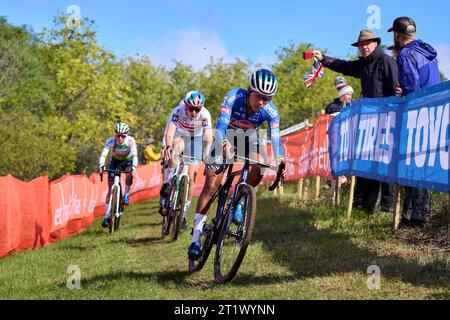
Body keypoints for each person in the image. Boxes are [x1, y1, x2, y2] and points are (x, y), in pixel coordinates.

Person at [188, 69, 286, 259]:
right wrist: (224, 144)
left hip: (248, 137)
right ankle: (195, 238)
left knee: (260, 163)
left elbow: (275, 138)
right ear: (250, 91)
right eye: (259, 97)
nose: (262, 102)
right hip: (225, 136)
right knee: (210, 185)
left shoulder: (270, 111)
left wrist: (280, 158)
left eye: (267, 98)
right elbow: (221, 128)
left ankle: (240, 199)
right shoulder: (233, 97)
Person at [312, 29, 398, 214]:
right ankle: (362, 206)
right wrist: (323, 59)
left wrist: (392, 117)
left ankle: (387, 207)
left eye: (367, 44)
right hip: (369, 123)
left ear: (375, 44)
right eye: (361, 45)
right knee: (366, 161)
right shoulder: (363, 65)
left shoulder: (386, 61)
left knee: (385, 164)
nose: (364, 47)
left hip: (387, 121)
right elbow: (343, 66)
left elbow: (395, 91)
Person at [388, 16, 441, 228]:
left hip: (417, 116)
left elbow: (412, 90)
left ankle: (414, 217)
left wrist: (403, 96)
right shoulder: (427, 52)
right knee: (423, 164)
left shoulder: (406, 54)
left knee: (412, 165)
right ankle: (419, 214)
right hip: (434, 114)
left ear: (396, 35)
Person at [159, 91, 213, 230]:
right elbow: (170, 132)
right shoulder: (178, 111)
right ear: (186, 106)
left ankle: (182, 214)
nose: (194, 112)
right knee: (177, 149)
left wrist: (207, 155)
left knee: (191, 177)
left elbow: (208, 137)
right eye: (191, 108)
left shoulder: (205, 114)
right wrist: (168, 147)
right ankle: (167, 183)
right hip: (180, 134)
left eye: (197, 109)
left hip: (195, 138)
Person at [99, 122, 138, 228]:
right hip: (115, 161)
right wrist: (101, 165)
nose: (120, 138)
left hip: (128, 161)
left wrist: (134, 167)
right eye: (118, 135)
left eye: (123, 136)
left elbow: (135, 155)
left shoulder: (130, 141)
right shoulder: (111, 141)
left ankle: (126, 194)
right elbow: (104, 154)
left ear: (126, 135)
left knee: (129, 173)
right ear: (115, 134)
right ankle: (107, 216)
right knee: (110, 188)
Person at [323, 76, 353, 189]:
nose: (350, 97)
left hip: (349, 137)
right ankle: (330, 178)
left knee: (345, 156)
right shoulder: (331, 107)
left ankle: (344, 178)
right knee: (333, 155)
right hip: (335, 136)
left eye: (351, 94)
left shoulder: (353, 106)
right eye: (348, 94)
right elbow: (325, 122)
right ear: (341, 94)